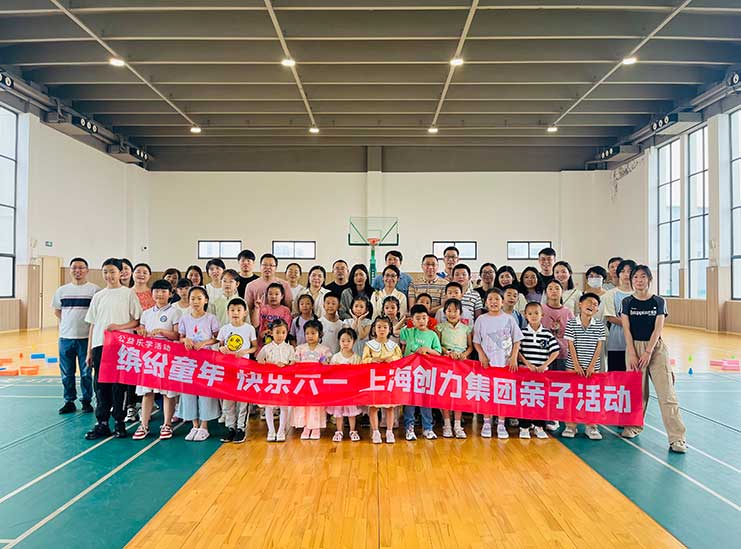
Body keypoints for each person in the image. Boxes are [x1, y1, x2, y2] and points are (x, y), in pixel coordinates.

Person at [621, 265, 687, 453]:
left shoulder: (658, 301)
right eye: (635, 277)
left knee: (667, 395)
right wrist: (632, 352)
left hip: (655, 348)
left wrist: (648, 351)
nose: (639, 280)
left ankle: (677, 438)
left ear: (649, 280)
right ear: (631, 281)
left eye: (643, 277)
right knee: (636, 392)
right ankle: (633, 426)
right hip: (634, 348)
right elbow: (626, 328)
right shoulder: (627, 302)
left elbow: (658, 328)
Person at [84, 258, 142, 440]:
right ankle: (102, 422)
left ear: (120, 273)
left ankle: (119, 421)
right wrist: (89, 350)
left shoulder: (128, 294)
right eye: (105, 272)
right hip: (100, 345)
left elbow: (137, 321)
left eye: (112, 271)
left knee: (119, 385)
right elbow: (93, 324)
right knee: (101, 386)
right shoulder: (98, 296)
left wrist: (119, 327)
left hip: (121, 346)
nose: (109, 275)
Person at [132, 279, 181, 441]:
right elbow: (141, 333)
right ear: (151, 293)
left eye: (163, 291)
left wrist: (161, 332)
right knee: (147, 391)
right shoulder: (146, 313)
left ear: (170, 294)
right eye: (157, 291)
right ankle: (143, 424)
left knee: (168, 392)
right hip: (149, 356)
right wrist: (142, 333)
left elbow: (177, 336)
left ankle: (167, 424)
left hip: (167, 356)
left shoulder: (175, 312)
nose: (160, 294)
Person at [473, 288, 523, 439]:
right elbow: (476, 341)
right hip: (487, 364)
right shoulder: (481, 319)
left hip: (505, 364)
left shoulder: (509, 319)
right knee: (487, 394)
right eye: (490, 299)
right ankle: (487, 422)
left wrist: (514, 357)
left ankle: (501, 423)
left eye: (497, 299)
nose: (494, 302)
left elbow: (517, 340)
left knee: (503, 394)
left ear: (502, 302)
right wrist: (481, 354)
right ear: (485, 302)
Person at [52, 257, 99, 414]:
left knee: (86, 373)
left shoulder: (95, 290)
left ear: (87, 270)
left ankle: (86, 401)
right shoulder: (62, 290)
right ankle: (69, 401)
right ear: (70, 270)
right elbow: (57, 311)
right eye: (74, 268)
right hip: (65, 338)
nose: (77, 271)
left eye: (81, 268)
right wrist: (68, 323)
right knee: (67, 372)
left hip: (86, 338)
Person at [178, 286, 221, 442]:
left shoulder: (211, 318)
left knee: (205, 392)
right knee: (189, 391)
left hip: (206, 360)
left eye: (199, 298)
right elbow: (180, 337)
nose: (195, 302)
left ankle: (204, 426)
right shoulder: (184, 318)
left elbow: (218, 338)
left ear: (206, 300)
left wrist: (204, 343)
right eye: (193, 299)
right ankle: (194, 425)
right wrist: (186, 340)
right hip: (189, 360)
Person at [562, 293, 606, 440]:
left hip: (593, 368)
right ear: (580, 304)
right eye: (588, 302)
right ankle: (571, 426)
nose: (591, 305)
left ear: (597, 309)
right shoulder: (571, 323)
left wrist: (592, 366)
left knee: (591, 396)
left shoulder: (599, 325)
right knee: (572, 396)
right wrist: (576, 365)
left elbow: (599, 346)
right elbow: (570, 345)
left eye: (595, 304)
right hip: (573, 367)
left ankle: (591, 426)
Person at [217, 298, 257, 444]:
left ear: (245, 312)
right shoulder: (224, 329)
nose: (235, 313)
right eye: (232, 310)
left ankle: (241, 428)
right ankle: (230, 427)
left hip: (243, 368)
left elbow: (254, 347)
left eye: (239, 310)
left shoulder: (249, 328)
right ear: (228, 312)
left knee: (242, 400)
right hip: (228, 368)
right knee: (228, 400)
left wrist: (245, 351)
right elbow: (220, 347)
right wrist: (222, 349)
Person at [517, 302, 559, 439]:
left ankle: (539, 426)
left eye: (536, 313)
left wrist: (545, 365)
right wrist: (527, 364)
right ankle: (524, 427)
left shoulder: (547, 334)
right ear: (525, 315)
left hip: (541, 374)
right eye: (530, 313)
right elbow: (517, 351)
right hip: (525, 373)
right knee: (525, 399)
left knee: (540, 399)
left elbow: (555, 351)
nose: (533, 316)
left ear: (542, 315)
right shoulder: (522, 333)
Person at [401, 304, 442, 441]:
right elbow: (395, 331)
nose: (421, 321)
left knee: (426, 401)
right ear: (412, 320)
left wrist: (427, 350)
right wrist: (404, 321)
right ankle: (409, 427)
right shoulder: (408, 332)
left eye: (424, 318)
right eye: (417, 318)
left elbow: (438, 353)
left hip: (426, 373)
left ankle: (427, 428)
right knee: (410, 401)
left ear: (428, 319)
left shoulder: (432, 335)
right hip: (410, 372)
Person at [362, 316, 403, 444]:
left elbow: (400, 360)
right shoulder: (369, 345)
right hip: (374, 380)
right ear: (374, 329)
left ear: (389, 329)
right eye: (379, 327)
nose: (382, 330)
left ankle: (390, 431)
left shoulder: (394, 346)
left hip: (389, 380)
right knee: (374, 406)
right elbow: (363, 360)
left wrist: (392, 359)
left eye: (385, 327)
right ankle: (375, 431)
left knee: (389, 406)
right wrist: (372, 360)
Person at [435, 299, 472, 439]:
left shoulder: (466, 328)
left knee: (459, 393)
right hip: (445, 362)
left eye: (455, 310)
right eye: (449, 310)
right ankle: (447, 424)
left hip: (462, 364)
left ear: (460, 312)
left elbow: (470, 346)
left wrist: (464, 355)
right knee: (445, 393)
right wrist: (448, 352)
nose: (452, 313)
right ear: (444, 312)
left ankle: (457, 424)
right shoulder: (440, 327)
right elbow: (437, 345)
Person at [256, 318, 295, 442]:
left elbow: (293, 362)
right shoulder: (267, 348)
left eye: (283, 332)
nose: (280, 335)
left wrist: (286, 365)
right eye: (277, 332)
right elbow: (259, 361)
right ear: (271, 333)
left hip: (284, 382)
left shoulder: (290, 348)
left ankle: (281, 430)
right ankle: (271, 430)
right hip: (270, 381)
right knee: (269, 406)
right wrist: (271, 365)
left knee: (284, 406)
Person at [292, 320, 332, 440]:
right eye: (307, 333)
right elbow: (295, 363)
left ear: (320, 334)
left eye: (313, 333)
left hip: (316, 383)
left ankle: (315, 427)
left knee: (316, 405)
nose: (310, 336)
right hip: (303, 382)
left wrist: (324, 364)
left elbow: (327, 364)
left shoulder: (324, 350)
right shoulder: (300, 349)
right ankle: (306, 427)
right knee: (304, 405)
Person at [327, 328, 362, 442]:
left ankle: (352, 430)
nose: (345, 343)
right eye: (343, 341)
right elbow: (330, 373)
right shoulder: (335, 357)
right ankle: (339, 431)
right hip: (338, 391)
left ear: (354, 341)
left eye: (348, 340)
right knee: (338, 412)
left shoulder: (357, 358)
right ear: (339, 341)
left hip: (351, 391)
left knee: (352, 412)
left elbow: (360, 374)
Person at [603, 259, 636, 372]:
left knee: (634, 375)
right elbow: (611, 317)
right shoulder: (611, 294)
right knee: (615, 375)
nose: (626, 274)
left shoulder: (640, 293)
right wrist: (635, 325)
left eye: (630, 271)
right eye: (622, 271)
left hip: (637, 341)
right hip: (617, 341)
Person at [251, 282, 292, 349]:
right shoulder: (262, 308)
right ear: (267, 296)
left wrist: (271, 332)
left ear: (282, 296)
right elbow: (255, 324)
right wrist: (257, 308)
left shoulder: (285, 310)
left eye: (276, 294)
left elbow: (286, 329)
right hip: (262, 346)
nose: (273, 296)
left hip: (279, 346)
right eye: (270, 294)